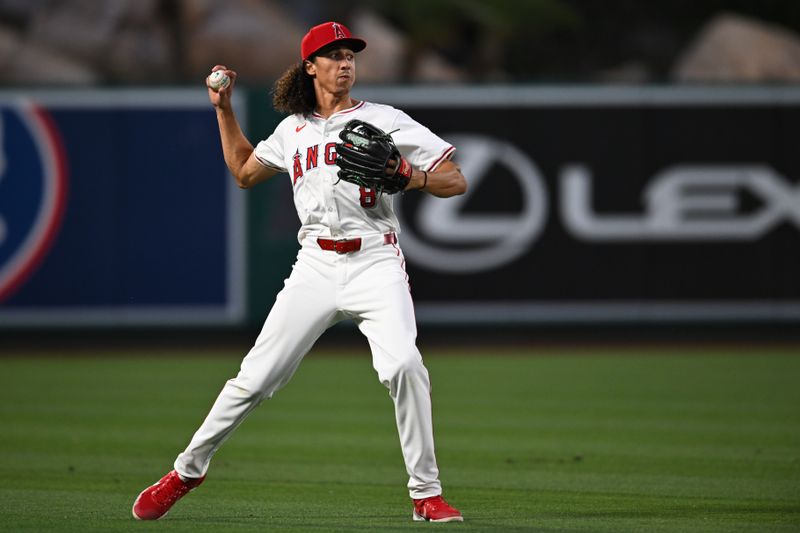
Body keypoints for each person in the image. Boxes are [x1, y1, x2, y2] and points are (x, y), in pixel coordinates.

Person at [131, 21, 467, 523]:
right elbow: (245, 171)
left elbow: (455, 179)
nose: (345, 63)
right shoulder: (293, 130)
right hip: (315, 263)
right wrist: (223, 110)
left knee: (404, 367)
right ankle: (186, 471)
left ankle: (426, 494)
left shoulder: (387, 119)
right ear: (310, 67)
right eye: (333, 56)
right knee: (254, 379)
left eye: (350, 55)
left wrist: (411, 176)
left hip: (376, 259)